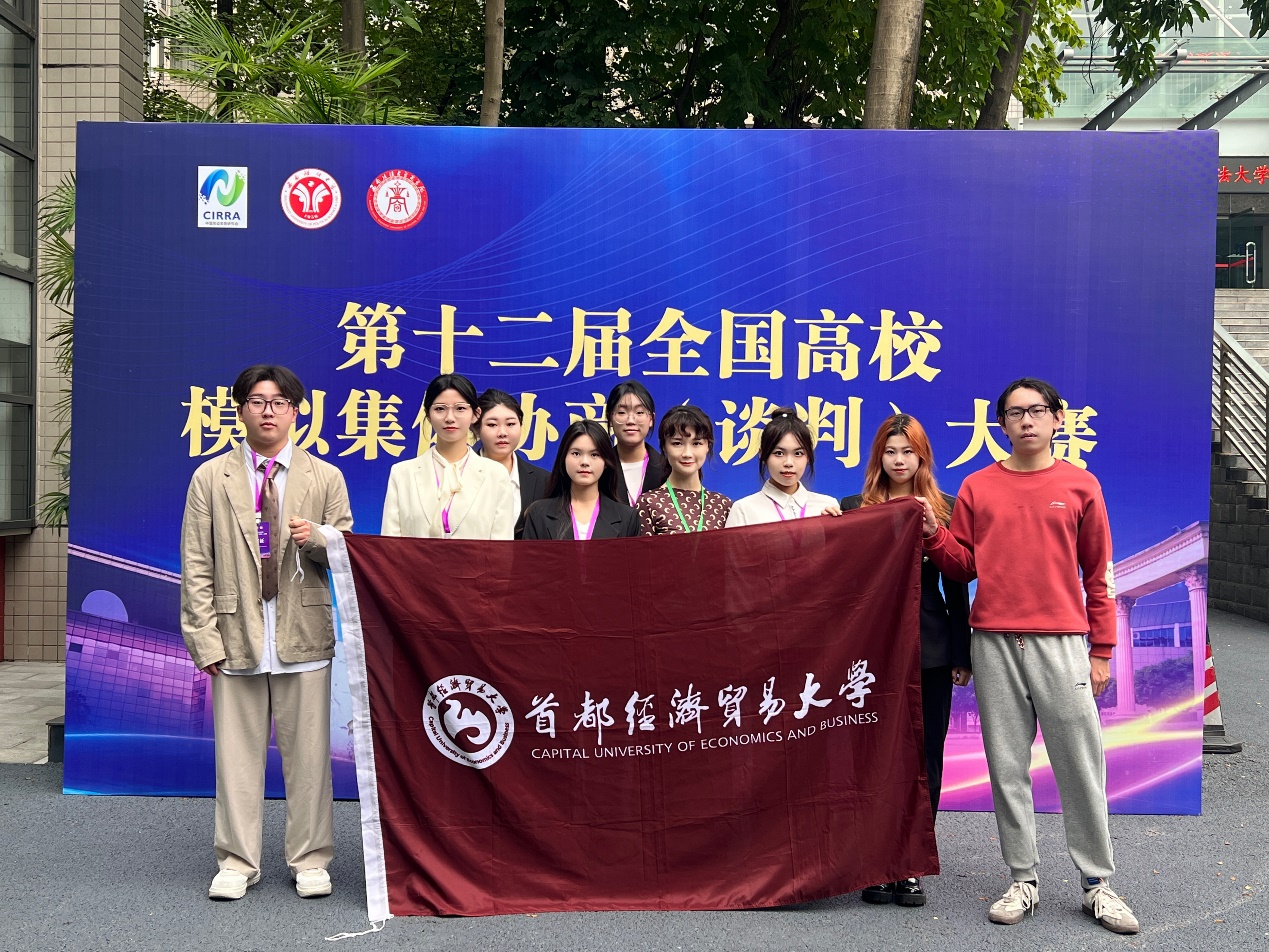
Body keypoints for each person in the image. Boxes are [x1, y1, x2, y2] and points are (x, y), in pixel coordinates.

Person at [918, 377, 1138, 935]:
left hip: (1061, 643)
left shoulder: (1081, 485)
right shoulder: (978, 486)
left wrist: (1102, 648)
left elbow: (1099, 573)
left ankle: (1097, 883)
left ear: (1058, 418)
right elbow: (963, 565)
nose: (1026, 421)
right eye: (1014, 413)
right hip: (993, 641)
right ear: (1002, 424)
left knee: (1080, 765)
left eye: (1037, 411)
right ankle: (1023, 879)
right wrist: (934, 535)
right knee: (1007, 767)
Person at [179, 364, 353, 901]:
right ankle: (237, 861)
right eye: (257, 401)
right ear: (241, 410)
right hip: (236, 634)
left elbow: (346, 553)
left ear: (296, 411)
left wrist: (317, 537)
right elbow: (196, 563)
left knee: (309, 760)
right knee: (236, 759)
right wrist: (204, 638)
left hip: (303, 632)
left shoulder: (325, 477)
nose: (268, 411)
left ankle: (310, 859)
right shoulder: (211, 477)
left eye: (279, 402)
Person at [842, 413, 971, 908]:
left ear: (922, 457)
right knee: (873, 755)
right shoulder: (853, 508)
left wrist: (961, 653)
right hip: (871, 649)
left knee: (925, 756)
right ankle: (876, 862)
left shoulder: (945, 507)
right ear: (879, 457)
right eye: (890, 452)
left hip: (930, 647)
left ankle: (910, 863)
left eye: (908, 452)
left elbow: (957, 584)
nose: (899, 461)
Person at [381, 374, 516, 540]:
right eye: (440, 409)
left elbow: (501, 547)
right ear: (428, 415)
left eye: (460, 408)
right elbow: (390, 545)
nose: (450, 418)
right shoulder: (402, 473)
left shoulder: (496, 475)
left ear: (476, 414)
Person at [518, 420, 640, 540]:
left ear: (606, 462)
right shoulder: (539, 513)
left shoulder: (628, 518)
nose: (585, 462)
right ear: (563, 458)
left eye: (594, 455)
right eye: (576, 453)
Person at [724, 408, 841, 526]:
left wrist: (828, 530)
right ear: (762, 455)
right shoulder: (743, 510)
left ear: (809, 456)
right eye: (779, 453)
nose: (788, 463)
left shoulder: (827, 506)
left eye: (798, 453)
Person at [636, 405, 732, 534]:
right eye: (677, 443)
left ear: (707, 446)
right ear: (664, 447)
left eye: (696, 443)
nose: (687, 453)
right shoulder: (649, 503)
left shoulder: (723, 505)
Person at [473, 388, 550, 527]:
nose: (502, 432)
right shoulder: (459, 476)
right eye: (492, 425)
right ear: (476, 429)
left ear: (521, 426)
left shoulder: (544, 482)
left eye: (510, 424)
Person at [605, 381, 670, 507]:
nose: (630, 420)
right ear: (610, 419)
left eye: (639, 412)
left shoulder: (668, 469)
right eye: (621, 412)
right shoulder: (600, 468)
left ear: (651, 419)